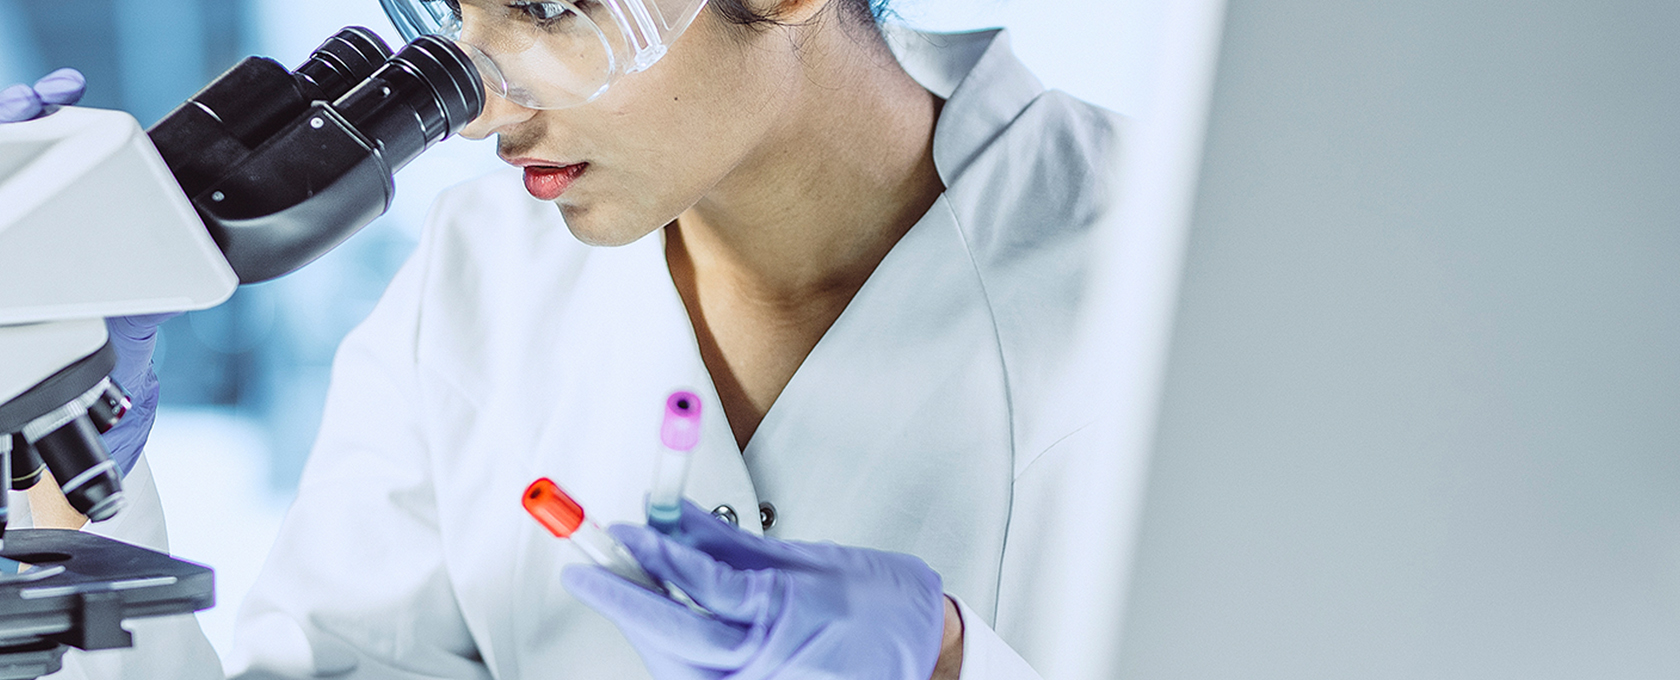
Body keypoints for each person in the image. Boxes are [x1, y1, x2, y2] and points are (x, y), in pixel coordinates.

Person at [6, 0, 1130, 677]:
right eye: (452, 12)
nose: (486, 107)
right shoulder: (480, 277)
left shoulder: (1164, 261)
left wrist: (951, 663)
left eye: (549, 10)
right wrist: (64, 446)